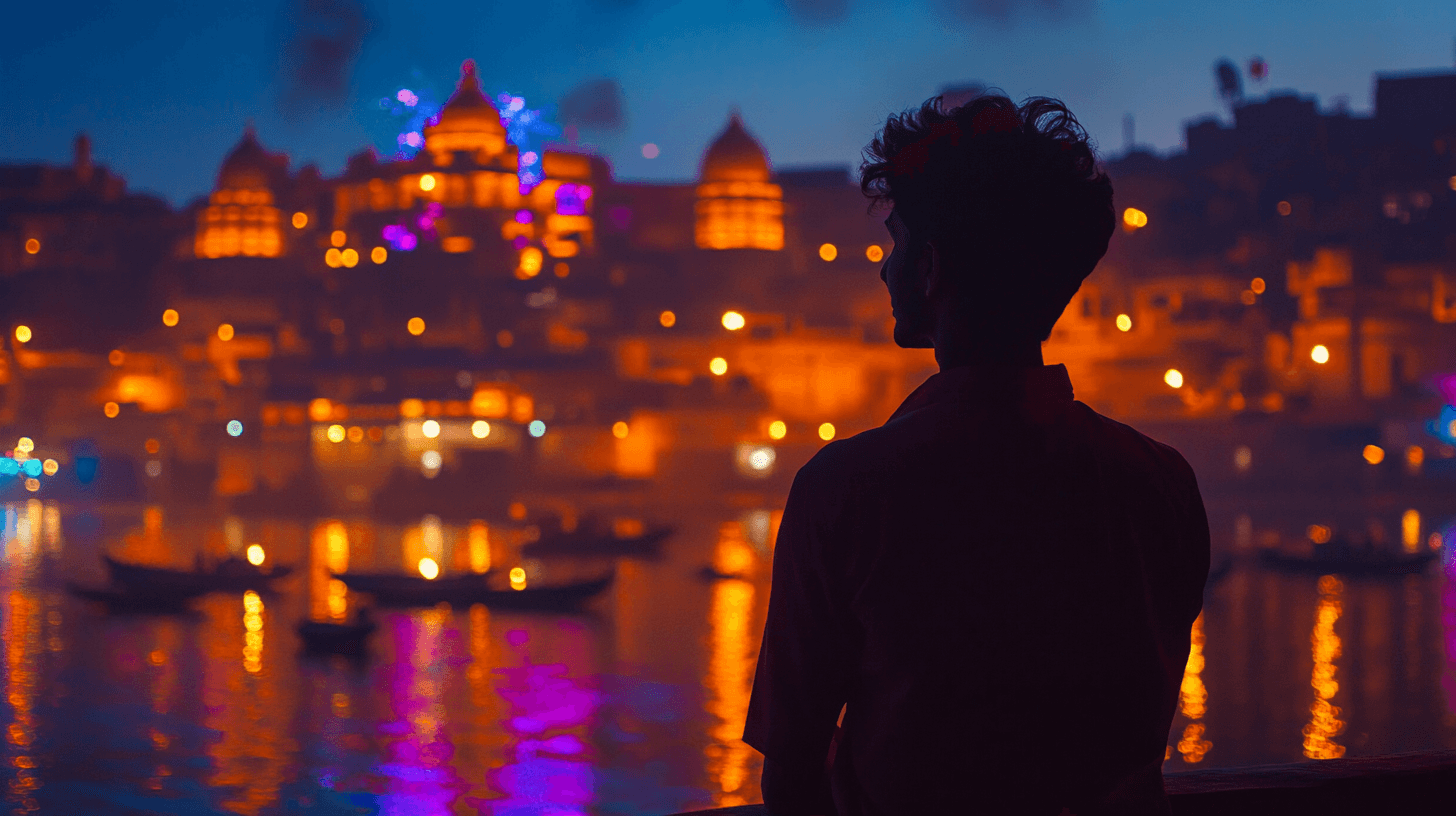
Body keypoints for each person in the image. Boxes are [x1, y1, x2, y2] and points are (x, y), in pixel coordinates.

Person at [743, 92, 1210, 816]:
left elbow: (792, 774)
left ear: (929, 268)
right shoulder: (1159, 484)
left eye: (894, 243)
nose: (883, 269)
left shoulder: (847, 491)